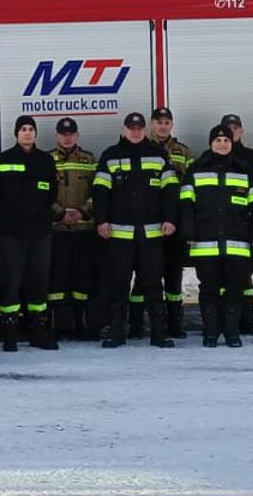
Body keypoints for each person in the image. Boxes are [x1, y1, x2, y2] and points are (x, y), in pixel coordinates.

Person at [91, 112, 178, 349]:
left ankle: (159, 335)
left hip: (151, 235)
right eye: (131, 128)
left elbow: (171, 191)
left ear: (145, 129)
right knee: (119, 285)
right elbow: (100, 193)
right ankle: (117, 333)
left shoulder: (159, 154)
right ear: (124, 129)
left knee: (153, 285)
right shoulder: (111, 156)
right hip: (120, 235)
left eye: (139, 127)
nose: (136, 131)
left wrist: (171, 219)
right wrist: (101, 220)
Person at [179, 125, 253, 348]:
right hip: (205, 243)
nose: (222, 144)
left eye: (226, 140)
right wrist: (188, 233)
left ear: (232, 143)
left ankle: (232, 333)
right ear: (210, 144)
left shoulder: (244, 171)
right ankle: (210, 333)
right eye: (218, 141)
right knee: (209, 290)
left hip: (237, 242)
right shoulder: (195, 170)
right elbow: (186, 205)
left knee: (235, 289)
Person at [0, 115, 60, 352]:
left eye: (31, 129)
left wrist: (41, 216)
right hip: (12, 234)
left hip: (40, 233)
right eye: (23, 129)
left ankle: (39, 332)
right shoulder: (3, 159)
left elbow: (52, 193)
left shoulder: (45, 161)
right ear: (16, 134)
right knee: (11, 282)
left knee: (39, 282)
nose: (27, 133)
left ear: (35, 134)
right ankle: (10, 334)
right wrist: (8, 217)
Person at [47, 117, 99, 339]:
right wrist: (59, 213)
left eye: (71, 133)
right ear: (57, 136)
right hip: (56, 229)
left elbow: (99, 192)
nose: (67, 137)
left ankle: (81, 325)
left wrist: (82, 212)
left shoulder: (89, 159)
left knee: (82, 279)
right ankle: (58, 326)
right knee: (56, 281)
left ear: (77, 135)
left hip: (83, 229)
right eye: (63, 134)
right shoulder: (46, 160)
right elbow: (42, 193)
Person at [145, 107, 193, 341]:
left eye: (167, 122)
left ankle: (175, 322)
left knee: (174, 274)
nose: (163, 126)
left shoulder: (182, 151)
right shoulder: (143, 149)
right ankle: (137, 323)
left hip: (175, 221)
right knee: (147, 276)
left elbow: (190, 185)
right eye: (159, 122)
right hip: (149, 221)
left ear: (171, 125)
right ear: (151, 124)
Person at [219, 113, 253, 334]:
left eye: (236, 127)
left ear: (241, 131)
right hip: (219, 229)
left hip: (244, 229)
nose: (232, 131)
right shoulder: (209, 159)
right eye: (228, 128)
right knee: (221, 279)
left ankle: (246, 321)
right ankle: (223, 322)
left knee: (245, 279)